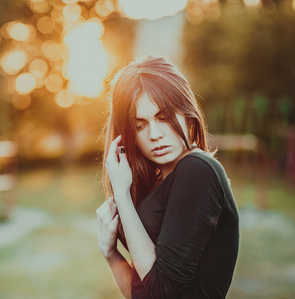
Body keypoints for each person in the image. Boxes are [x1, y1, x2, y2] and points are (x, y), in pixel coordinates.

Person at [96, 55, 239, 299]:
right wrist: (111, 253)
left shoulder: (197, 171)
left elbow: (163, 292)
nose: (154, 134)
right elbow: (144, 294)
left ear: (186, 111)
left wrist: (122, 194)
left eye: (163, 117)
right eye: (140, 125)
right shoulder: (159, 181)